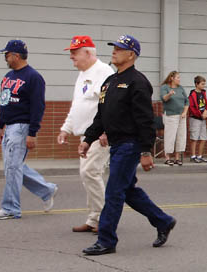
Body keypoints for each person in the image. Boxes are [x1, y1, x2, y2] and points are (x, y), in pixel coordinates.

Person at [79, 35, 176, 255]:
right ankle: (163, 221)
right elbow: (101, 117)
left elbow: (145, 120)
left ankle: (106, 240)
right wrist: (88, 139)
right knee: (127, 190)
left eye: (119, 49)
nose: (114, 51)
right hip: (116, 144)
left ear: (131, 54)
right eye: (114, 48)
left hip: (130, 144)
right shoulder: (110, 82)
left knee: (114, 192)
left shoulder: (137, 82)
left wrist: (145, 150)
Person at [0, 40, 58, 220]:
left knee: (13, 168)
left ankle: (11, 208)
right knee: (13, 167)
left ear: (16, 55)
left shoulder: (33, 77)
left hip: (22, 127)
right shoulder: (8, 76)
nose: (5, 58)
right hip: (9, 127)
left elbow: (38, 106)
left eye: (7, 55)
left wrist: (32, 133)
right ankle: (47, 190)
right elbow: (5, 103)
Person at [57, 35, 113, 233]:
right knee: (88, 175)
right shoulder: (82, 74)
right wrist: (66, 128)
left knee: (89, 172)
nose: (72, 58)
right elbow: (77, 106)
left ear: (88, 53)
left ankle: (103, 218)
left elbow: (109, 106)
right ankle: (94, 218)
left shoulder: (105, 72)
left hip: (99, 136)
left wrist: (105, 131)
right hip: (86, 137)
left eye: (75, 54)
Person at [160, 71, 188, 166]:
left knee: (181, 136)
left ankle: (177, 157)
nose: (179, 79)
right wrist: (170, 94)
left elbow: (186, 101)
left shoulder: (181, 88)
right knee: (170, 136)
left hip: (181, 116)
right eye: (178, 77)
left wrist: (185, 112)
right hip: (170, 115)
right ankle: (167, 157)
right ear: (172, 78)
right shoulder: (165, 87)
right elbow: (164, 98)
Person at [188, 75, 207, 163]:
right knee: (194, 138)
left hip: (203, 119)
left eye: (204, 84)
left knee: (203, 138)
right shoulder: (192, 95)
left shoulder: (203, 93)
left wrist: (206, 111)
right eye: (202, 84)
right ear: (196, 84)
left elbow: (206, 104)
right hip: (195, 118)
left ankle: (200, 156)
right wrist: (200, 115)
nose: (203, 86)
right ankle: (193, 156)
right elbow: (192, 108)